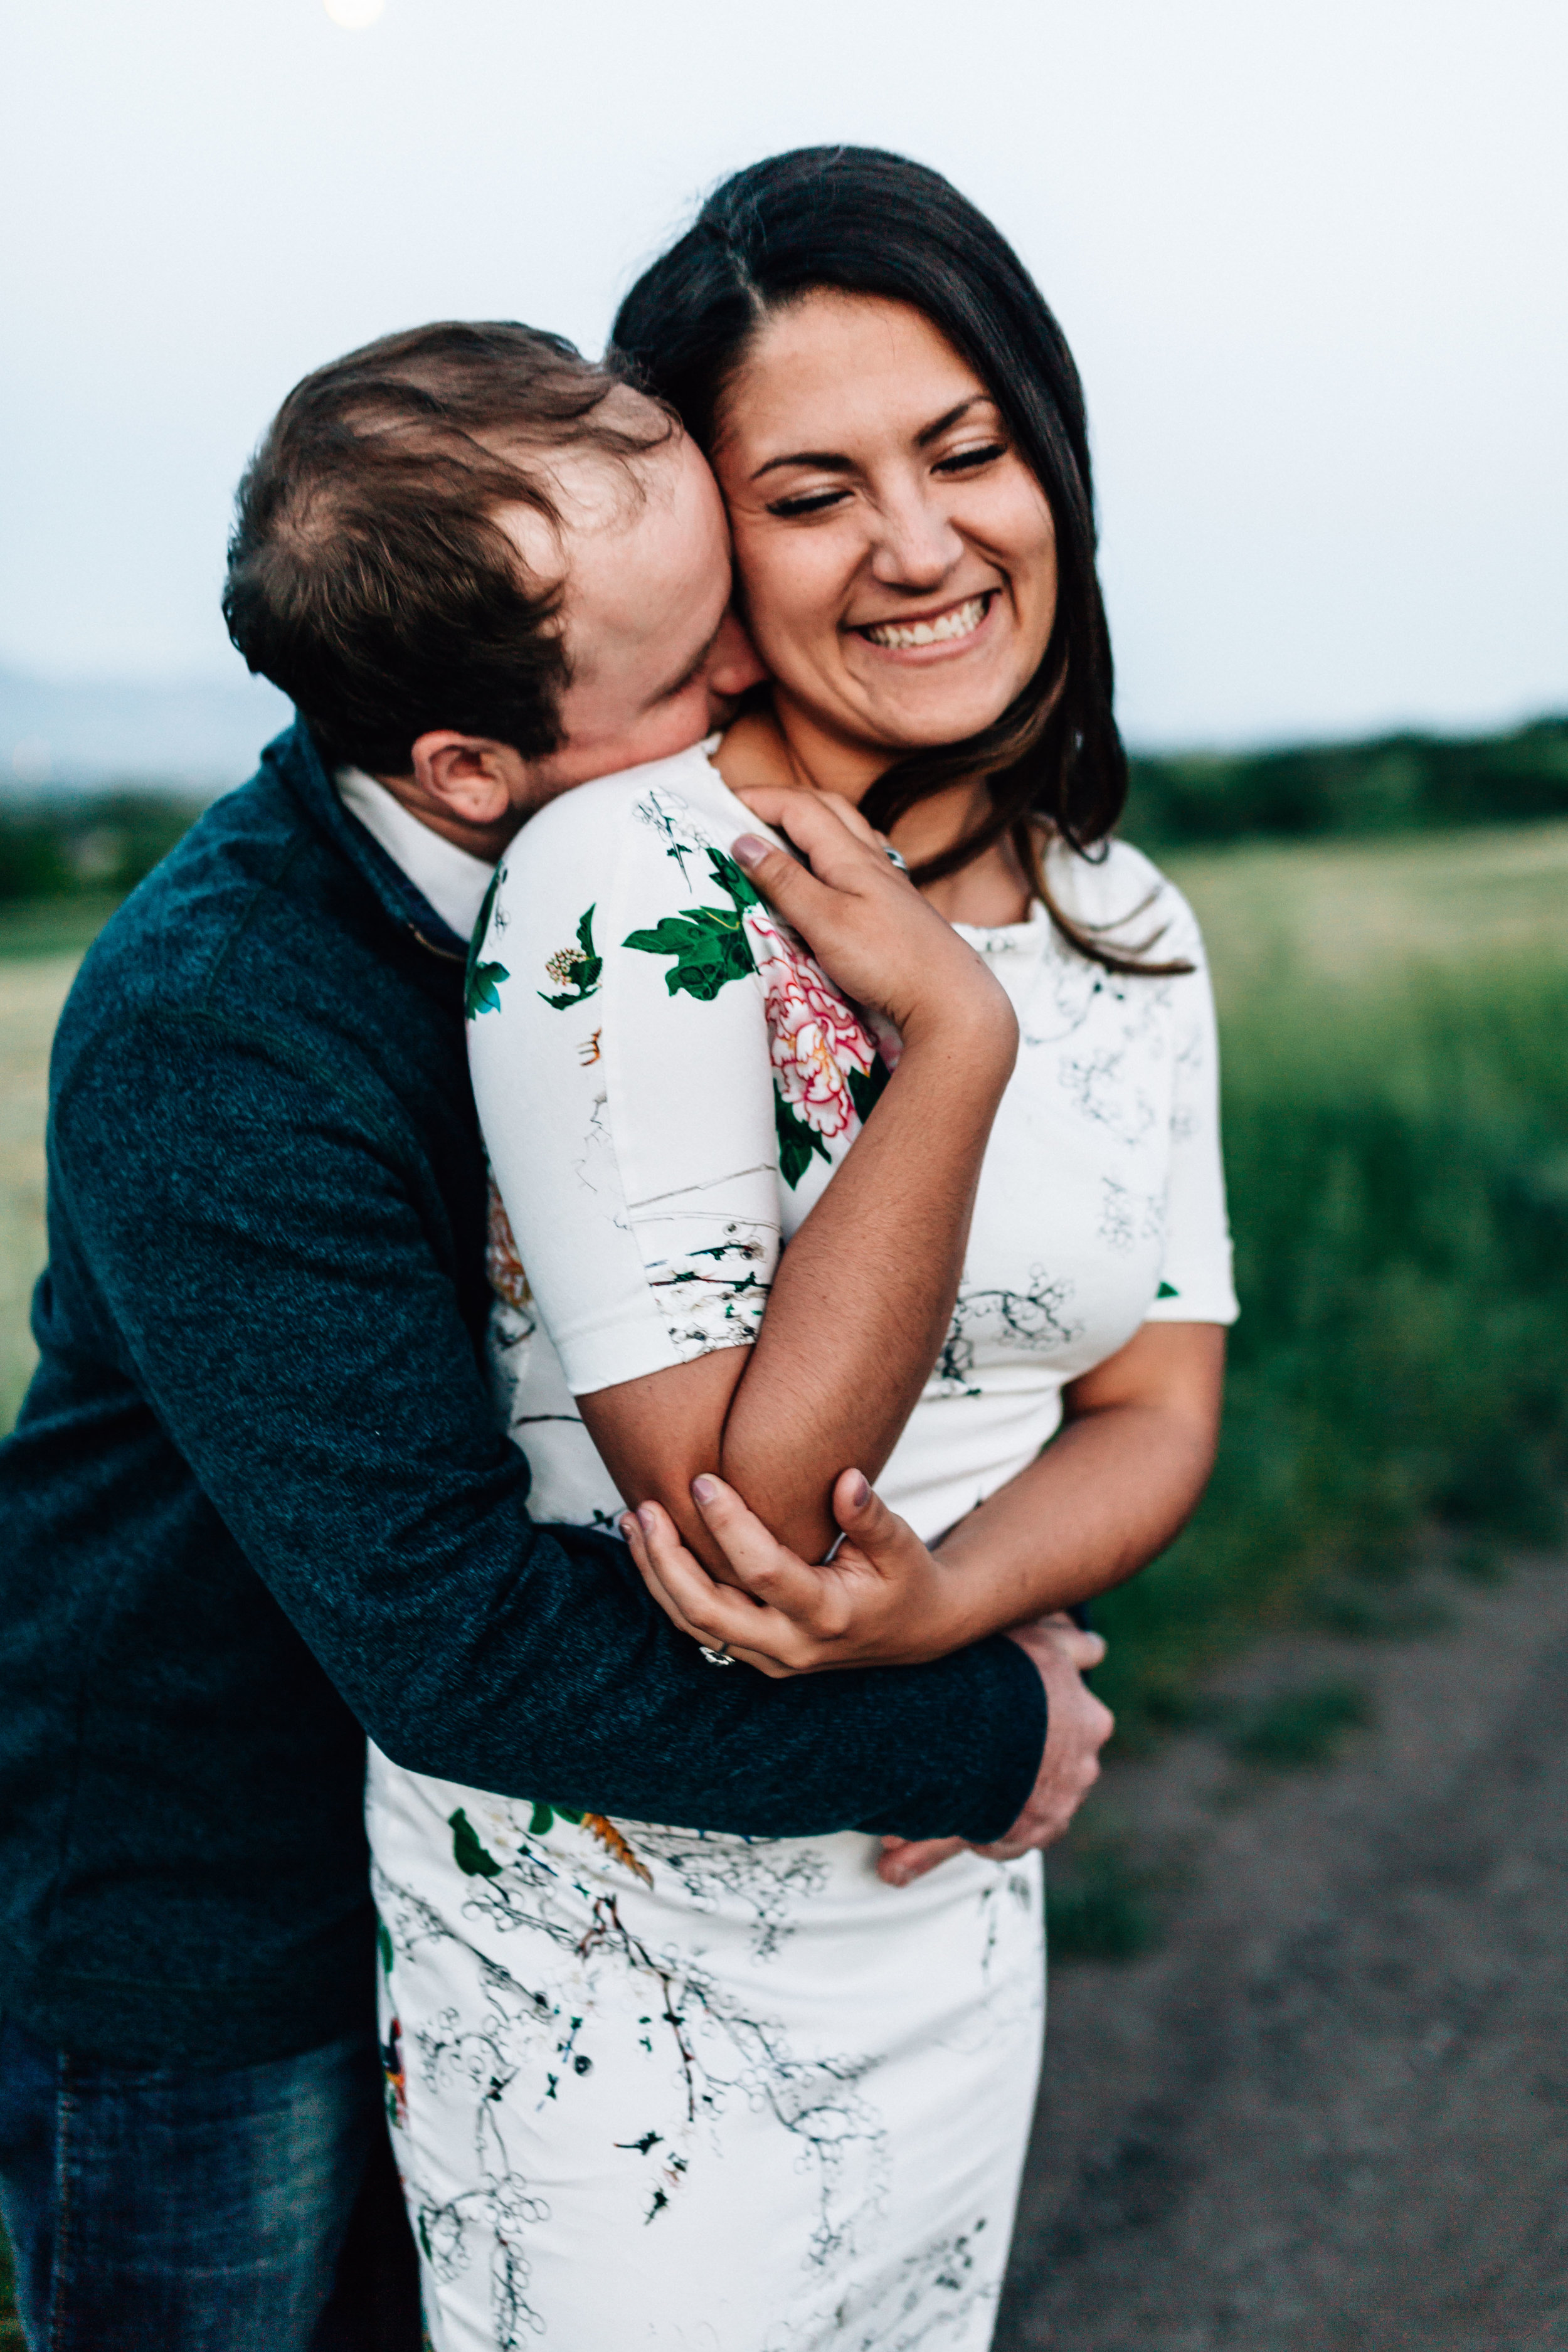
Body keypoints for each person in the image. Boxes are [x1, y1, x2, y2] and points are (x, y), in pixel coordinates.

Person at [0, 318, 1111, 2351]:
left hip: (505, 1894)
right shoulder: (220, 1027)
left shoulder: (618, 868)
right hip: (215, 1929)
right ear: (464, 766)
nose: (754, 679)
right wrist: (973, 1723)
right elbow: (451, 1639)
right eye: (692, 669)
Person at [366, 151, 1236, 2349]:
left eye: (966, 454)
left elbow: (1151, 1400)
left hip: (951, 1877)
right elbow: (743, 1529)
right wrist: (944, 1042)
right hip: (626, 1939)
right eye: (816, 490)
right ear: (711, 548)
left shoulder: (1126, 924)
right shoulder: (629, 886)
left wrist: (958, 1612)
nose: (923, 546)